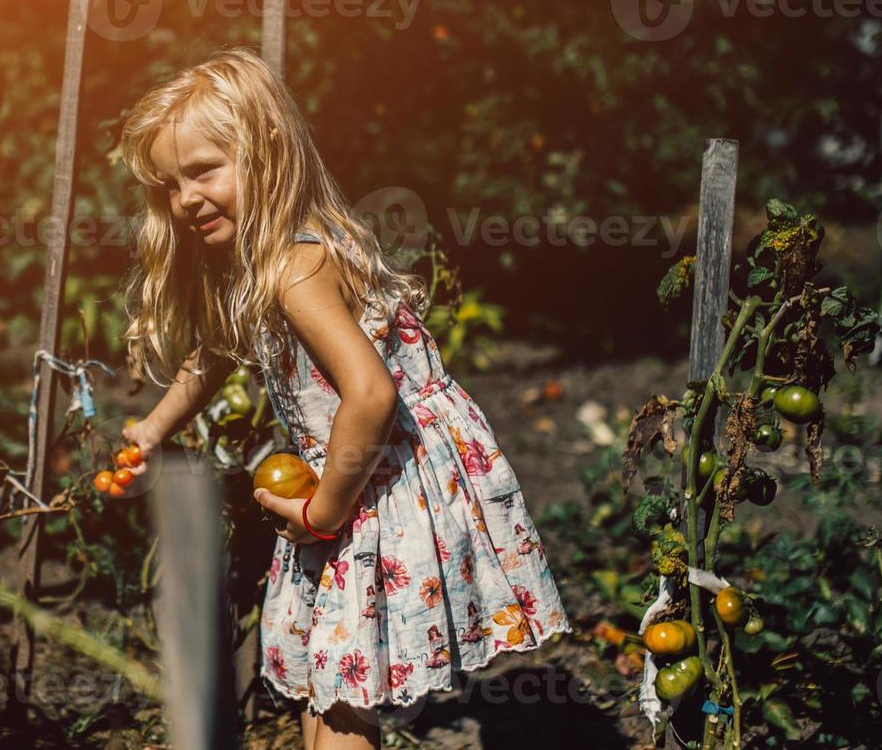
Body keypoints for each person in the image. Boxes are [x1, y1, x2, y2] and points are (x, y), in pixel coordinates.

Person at [116, 48, 569, 749]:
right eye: (171, 185)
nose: (186, 199)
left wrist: (323, 509)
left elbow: (371, 393)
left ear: (265, 154)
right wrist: (154, 425)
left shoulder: (299, 267)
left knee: (344, 693)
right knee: (328, 684)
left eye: (204, 171)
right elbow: (215, 352)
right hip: (354, 483)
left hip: (380, 489)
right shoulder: (259, 264)